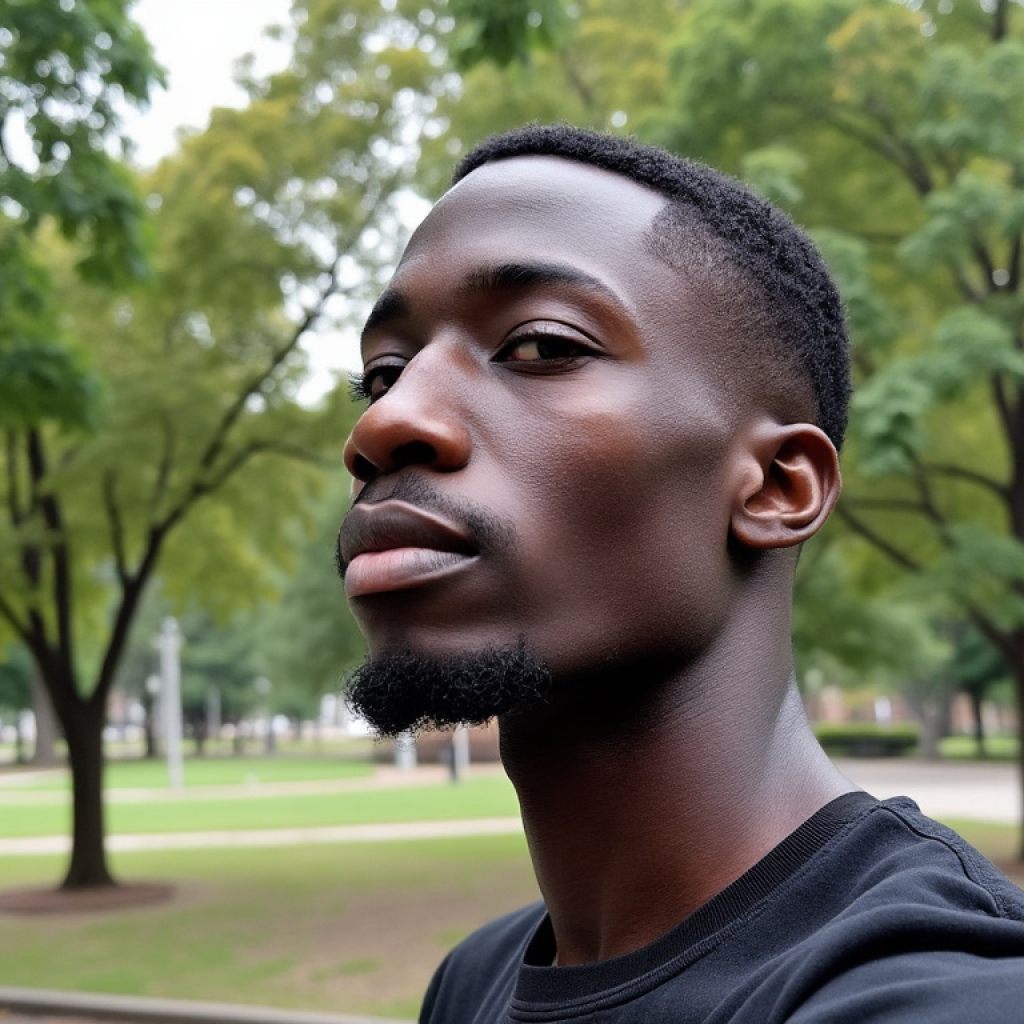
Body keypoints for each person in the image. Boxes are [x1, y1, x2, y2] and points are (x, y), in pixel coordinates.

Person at [337, 125, 1024, 1023]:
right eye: (383, 373)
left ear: (776, 487)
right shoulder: (472, 984)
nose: (385, 423)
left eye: (540, 345)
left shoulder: (938, 992)